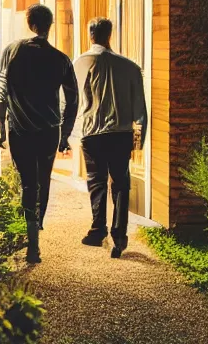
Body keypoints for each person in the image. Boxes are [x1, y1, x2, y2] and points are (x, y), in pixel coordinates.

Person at [0, 4, 78, 263]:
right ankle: (35, 231)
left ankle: (31, 239)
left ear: (29, 23)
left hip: (20, 129)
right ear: (49, 25)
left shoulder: (12, 51)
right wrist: (65, 134)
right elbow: (73, 99)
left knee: (28, 183)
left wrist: (0, 126)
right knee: (43, 179)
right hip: (49, 131)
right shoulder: (60, 59)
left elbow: (1, 92)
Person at [73, 17, 147, 258]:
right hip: (120, 134)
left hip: (92, 133)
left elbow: (72, 102)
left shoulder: (81, 63)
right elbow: (140, 110)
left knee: (96, 181)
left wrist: (69, 135)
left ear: (90, 35)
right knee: (121, 184)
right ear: (109, 35)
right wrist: (140, 141)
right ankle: (119, 236)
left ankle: (97, 230)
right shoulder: (130, 67)